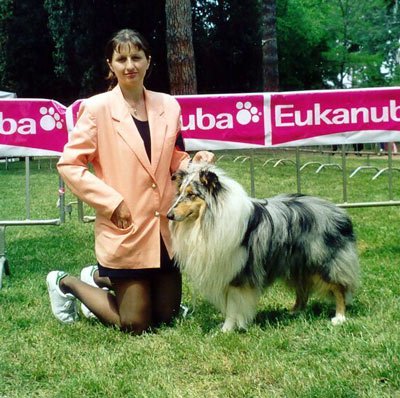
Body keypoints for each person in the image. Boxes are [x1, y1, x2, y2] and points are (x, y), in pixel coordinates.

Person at [46, 28, 215, 334]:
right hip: (126, 226)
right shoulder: (96, 109)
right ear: (110, 64)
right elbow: (70, 164)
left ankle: (99, 277)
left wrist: (194, 163)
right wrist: (112, 202)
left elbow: (173, 157)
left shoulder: (170, 106)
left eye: (136, 57)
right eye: (121, 58)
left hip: (163, 227)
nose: (130, 65)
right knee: (136, 323)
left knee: (167, 316)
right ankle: (66, 282)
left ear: (148, 61)